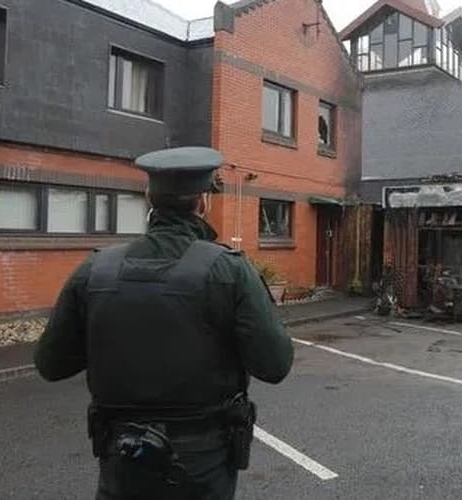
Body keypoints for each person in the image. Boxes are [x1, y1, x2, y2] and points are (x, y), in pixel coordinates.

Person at [34, 146, 294, 500]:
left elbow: (51, 364)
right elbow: (275, 365)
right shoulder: (230, 271)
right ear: (203, 202)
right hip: (202, 464)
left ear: (148, 199)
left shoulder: (95, 270)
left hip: (122, 457)